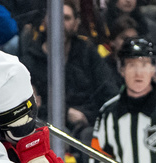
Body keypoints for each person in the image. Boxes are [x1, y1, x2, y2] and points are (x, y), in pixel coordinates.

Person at [19, 0, 115, 140]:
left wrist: (87, 116)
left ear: (76, 24)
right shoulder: (29, 61)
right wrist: (66, 113)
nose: (59, 23)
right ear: (44, 22)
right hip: (46, 127)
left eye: (66, 18)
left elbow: (108, 92)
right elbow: (25, 107)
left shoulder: (88, 53)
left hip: (87, 125)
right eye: (54, 17)